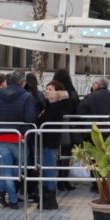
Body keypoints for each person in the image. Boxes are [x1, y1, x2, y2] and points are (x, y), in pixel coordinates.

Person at [0, 70, 37, 209]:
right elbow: (30, 119)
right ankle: (2, 190)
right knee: (23, 166)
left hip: (1, 135)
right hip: (18, 137)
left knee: (8, 169)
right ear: (23, 82)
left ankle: (12, 200)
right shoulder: (27, 96)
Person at [39, 81, 70, 210]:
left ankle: (50, 198)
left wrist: (40, 116)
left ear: (57, 91)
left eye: (50, 89)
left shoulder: (55, 105)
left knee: (49, 168)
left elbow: (43, 120)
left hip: (49, 140)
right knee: (47, 168)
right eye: (46, 88)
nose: (47, 91)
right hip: (49, 140)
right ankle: (48, 196)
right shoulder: (53, 104)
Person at [51, 68, 80, 191]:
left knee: (56, 155)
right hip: (68, 127)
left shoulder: (53, 91)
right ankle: (63, 180)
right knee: (66, 154)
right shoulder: (71, 92)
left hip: (52, 126)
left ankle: (55, 180)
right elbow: (77, 107)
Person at [23, 73, 48, 202]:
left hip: (23, 130)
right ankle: (33, 188)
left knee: (23, 159)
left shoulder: (23, 94)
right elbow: (45, 107)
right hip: (35, 130)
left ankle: (23, 187)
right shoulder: (38, 94)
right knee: (33, 159)